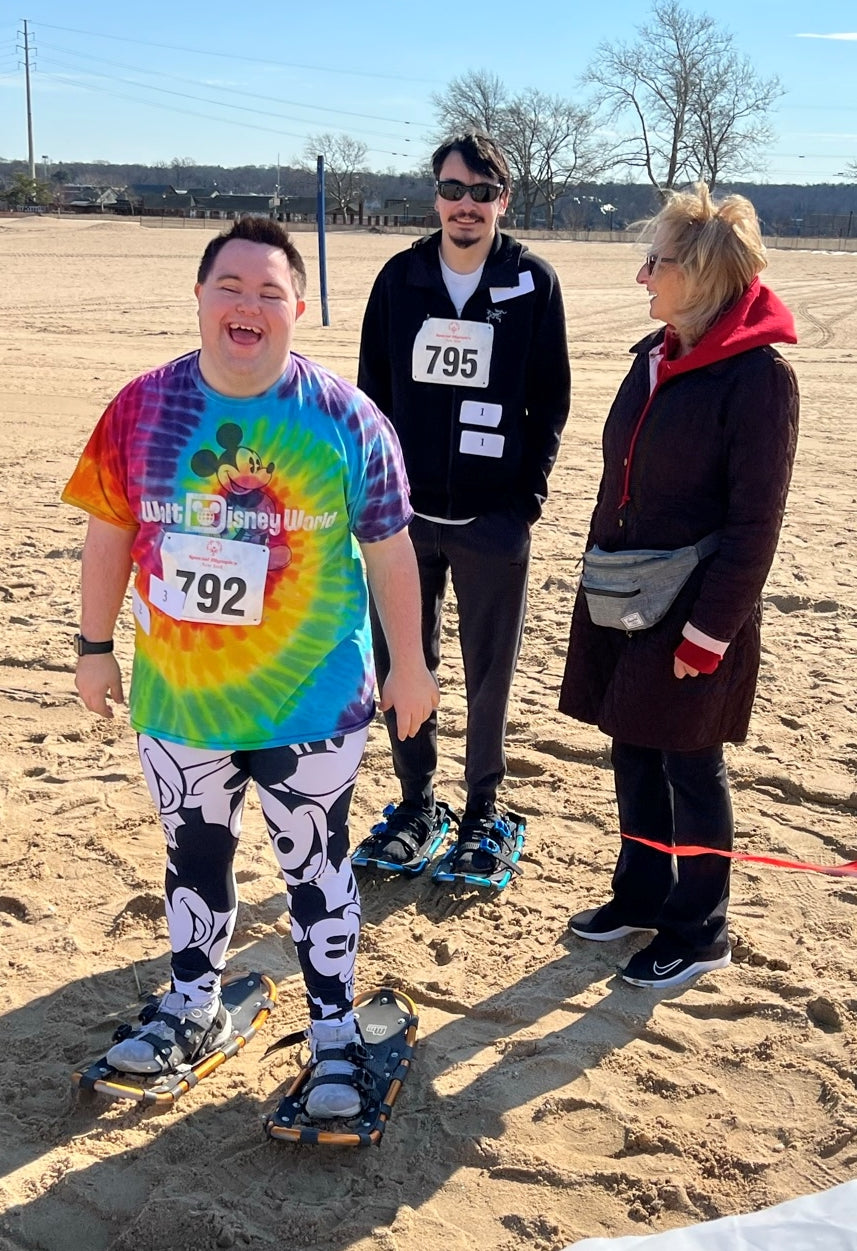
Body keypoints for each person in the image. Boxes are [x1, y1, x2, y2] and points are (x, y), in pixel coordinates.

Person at [62, 216, 437, 1118]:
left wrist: (412, 666)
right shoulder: (141, 408)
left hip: (312, 699)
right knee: (193, 858)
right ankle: (192, 1001)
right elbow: (108, 532)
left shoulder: (347, 418)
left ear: (298, 307)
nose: (248, 305)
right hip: (181, 699)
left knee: (316, 864)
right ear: (199, 297)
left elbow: (389, 549)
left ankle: (334, 1030)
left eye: (270, 292)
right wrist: (94, 647)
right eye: (230, 286)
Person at [559, 185, 799, 988]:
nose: (641, 276)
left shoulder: (759, 380)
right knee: (631, 745)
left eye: (654, 263)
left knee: (689, 765)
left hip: (694, 609)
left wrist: (709, 632)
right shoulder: (652, 355)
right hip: (625, 593)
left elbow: (754, 525)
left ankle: (699, 929)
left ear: (697, 276)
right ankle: (642, 894)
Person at [357, 131, 571, 875]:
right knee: (403, 660)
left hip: (492, 521)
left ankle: (482, 807)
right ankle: (417, 800)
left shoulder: (531, 282)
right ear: (436, 197)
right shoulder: (401, 278)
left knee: (489, 673)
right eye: (453, 190)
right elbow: (372, 397)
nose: (466, 205)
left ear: (502, 200)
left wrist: (524, 502)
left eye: (482, 192)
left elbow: (550, 400)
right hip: (405, 523)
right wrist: (379, 500)